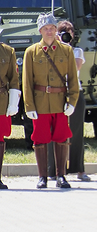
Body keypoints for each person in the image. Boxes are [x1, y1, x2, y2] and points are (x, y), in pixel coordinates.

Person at [23, 13, 80, 189]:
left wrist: (72, 101)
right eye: (46, 28)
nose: (50, 31)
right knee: (40, 140)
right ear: (40, 30)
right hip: (40, 103)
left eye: (53, 28)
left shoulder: (66, 51)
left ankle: (61, 175)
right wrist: (29, 105)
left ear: (56, 30)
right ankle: (43, 177)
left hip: (60, 102)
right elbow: (27, 82)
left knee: (61, 138)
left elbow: (73, 79)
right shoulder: (31, 52)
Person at [0, 15, 21, 190]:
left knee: (0, 139)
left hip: (0, 101)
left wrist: (13, 102)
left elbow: (14, 80)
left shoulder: (8, 51)